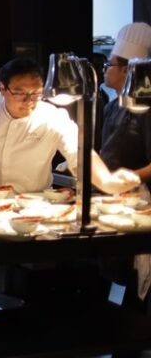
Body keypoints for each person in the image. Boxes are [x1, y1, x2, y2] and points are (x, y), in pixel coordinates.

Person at [0, 57, 135, 194]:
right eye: (20, 94)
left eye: (36, 94)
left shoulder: (52, 116)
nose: (29, 101)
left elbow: (80, 153)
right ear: (3, 88)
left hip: (33, 201)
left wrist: (107, 181)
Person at [97, 22, 151, 322]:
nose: (106, 70)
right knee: (112, 273)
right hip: (112, 202)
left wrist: (134, 177)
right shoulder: (112, 106)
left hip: (138, 206)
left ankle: (134, 330)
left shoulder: (146, 108)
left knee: (128, 278)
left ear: (129, 70)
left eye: (110, 64)